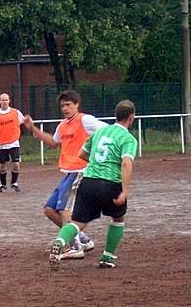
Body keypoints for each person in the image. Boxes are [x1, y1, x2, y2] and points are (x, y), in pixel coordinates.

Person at [49, 100, 138, 269]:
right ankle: (107, 258)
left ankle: (60, 241)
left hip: (88, 180)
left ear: (116, 115)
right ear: (131, 117)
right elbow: (126, 163)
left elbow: (82, 154)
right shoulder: (128, 138)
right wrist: (125, 191)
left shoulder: (101, 131)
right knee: (118, 218)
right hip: (110, 183)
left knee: (78, 222)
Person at [24, 90, 106, 259]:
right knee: (49, 209)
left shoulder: (86, 120)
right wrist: (33, 128)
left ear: (77, 104)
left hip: (81, 172)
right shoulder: (62, 125)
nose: (65, 108)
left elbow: (107, 131)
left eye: (68, 104)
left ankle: (75, 247)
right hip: (68, 173)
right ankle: (81, 239)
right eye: (62, 106)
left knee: (65, 210)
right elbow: (54, 143)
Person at [0, 93, 26, 193]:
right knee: (2, 165)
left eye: (6, 100)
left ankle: (14, 183)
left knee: (16, 164)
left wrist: (33, 129)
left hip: (14, 142)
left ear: (9, 101)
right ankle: (3, 184)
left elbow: (25, 121)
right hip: (1, 143)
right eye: (2, 100)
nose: (4, 102)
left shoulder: (16, 112)